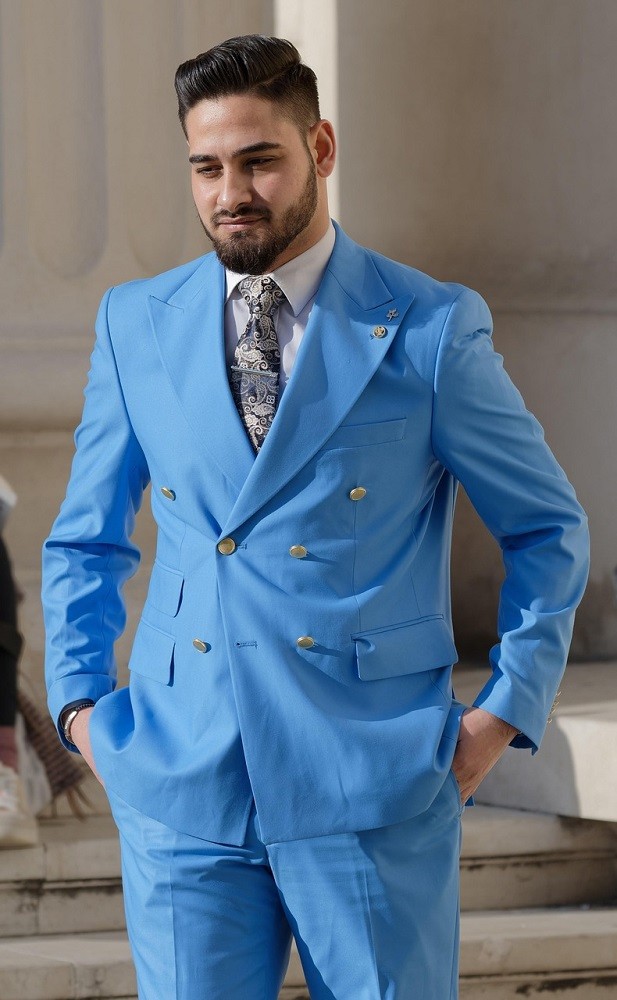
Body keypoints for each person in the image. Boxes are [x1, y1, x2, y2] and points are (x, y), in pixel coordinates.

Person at [42, 34, 590, 1000]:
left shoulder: (427, 326)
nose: (229, 193)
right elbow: (86, 538)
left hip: (370, 777)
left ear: (321, 149)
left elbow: (547, 531)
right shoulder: (136, 321)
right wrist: (84, 710)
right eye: (206, 167)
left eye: (258, 159)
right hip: (180, 779)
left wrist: (502, 714)